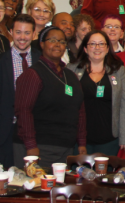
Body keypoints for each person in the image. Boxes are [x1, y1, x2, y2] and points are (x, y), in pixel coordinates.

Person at [15, 27, 87, 167]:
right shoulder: (33, 74)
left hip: (67, 149)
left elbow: (80, 111)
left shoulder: (71, 76)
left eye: (61, 41)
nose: (58, 44)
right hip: (39, 149)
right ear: (42, 44)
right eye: (52, 40)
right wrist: (31, 146)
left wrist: (82, 143)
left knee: (62, 188)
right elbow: (23, 111)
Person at [0, 14, 41, 168]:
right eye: (18, 32)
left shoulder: (42, 60)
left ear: (34, 34)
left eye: (27, 33)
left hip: (36, 130)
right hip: (6, 131)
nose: (22, 37)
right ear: (10, 32)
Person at [67, 31, 125, 155]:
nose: (97, 48)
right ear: (85, 48)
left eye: (101, 44)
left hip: (109, 139)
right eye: (92, 44)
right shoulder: (72, 69)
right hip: (79, 139)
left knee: (106, 174)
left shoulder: (118, 70)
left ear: (107, 48)